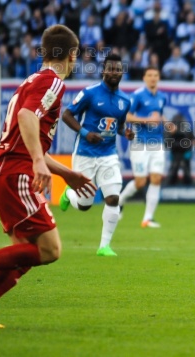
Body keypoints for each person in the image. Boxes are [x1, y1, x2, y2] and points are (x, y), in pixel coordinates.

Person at [0, 24, 97, 328]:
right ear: (71, 55)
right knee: (50, 249)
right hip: (15, 173)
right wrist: (37, 163)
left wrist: (65, 173)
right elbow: (26, 117)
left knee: (24, 254)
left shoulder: (31, 81)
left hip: (2, 172)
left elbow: (28, 132)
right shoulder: (53, 83)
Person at [59, 53, 135, 257]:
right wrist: (85, 133)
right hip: (85, 152)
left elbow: (118, 126)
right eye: (110, 69)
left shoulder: (125, 101)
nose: (114, 73)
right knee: (85, 205)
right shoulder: (89, 93)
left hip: (108, 154)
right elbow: (66, 115)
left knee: (113, 197)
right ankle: (68, 194)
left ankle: (104, 246)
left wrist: (125, 132)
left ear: (122, 73)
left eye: (118, 70)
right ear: (103, 71)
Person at [118, 67, 167, 228]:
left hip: (157, 143)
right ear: (144, 78)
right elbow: (127, 116)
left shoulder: (162, 97)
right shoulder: (138, 95)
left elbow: (159, 114)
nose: (153, 78)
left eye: (155, 75)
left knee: (156, 178)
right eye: (150, 75)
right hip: (140, 144)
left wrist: (167, 122)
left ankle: (148, 218)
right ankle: (119, 202)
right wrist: (147, 121)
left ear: (159, 78)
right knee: (140, 182)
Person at [165, 113, 194, 185]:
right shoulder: (170, 132)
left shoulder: (187, 132)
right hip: (175, 153)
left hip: (185, 153)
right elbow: (167, 144)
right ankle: (171, 183)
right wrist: (182, 144)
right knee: (174, 169)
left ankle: (188, 183)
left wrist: (192, 142)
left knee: (186, 169)